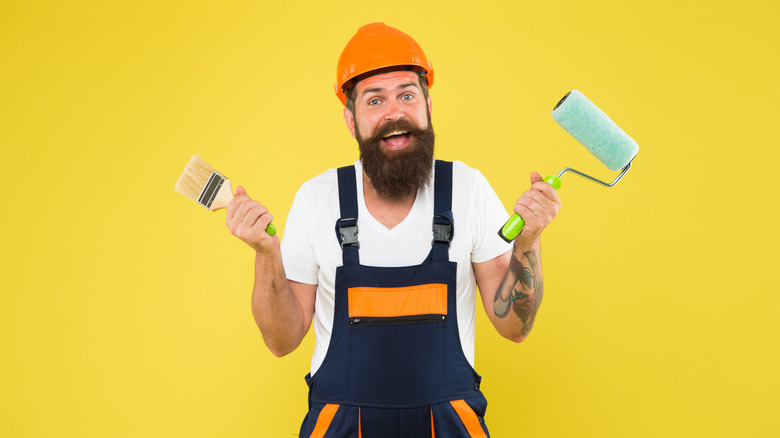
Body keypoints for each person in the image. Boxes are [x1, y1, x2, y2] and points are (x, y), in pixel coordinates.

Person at [225, 22, 560, 438]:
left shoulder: (468, 190)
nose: (394, 112)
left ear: (428, 105)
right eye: (374, 100)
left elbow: (515, 328)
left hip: (450, 424)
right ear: (351, 120)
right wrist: (265, 255)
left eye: (406, 94)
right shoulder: (317, 199)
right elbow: (281, 340)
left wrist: (528, 240)